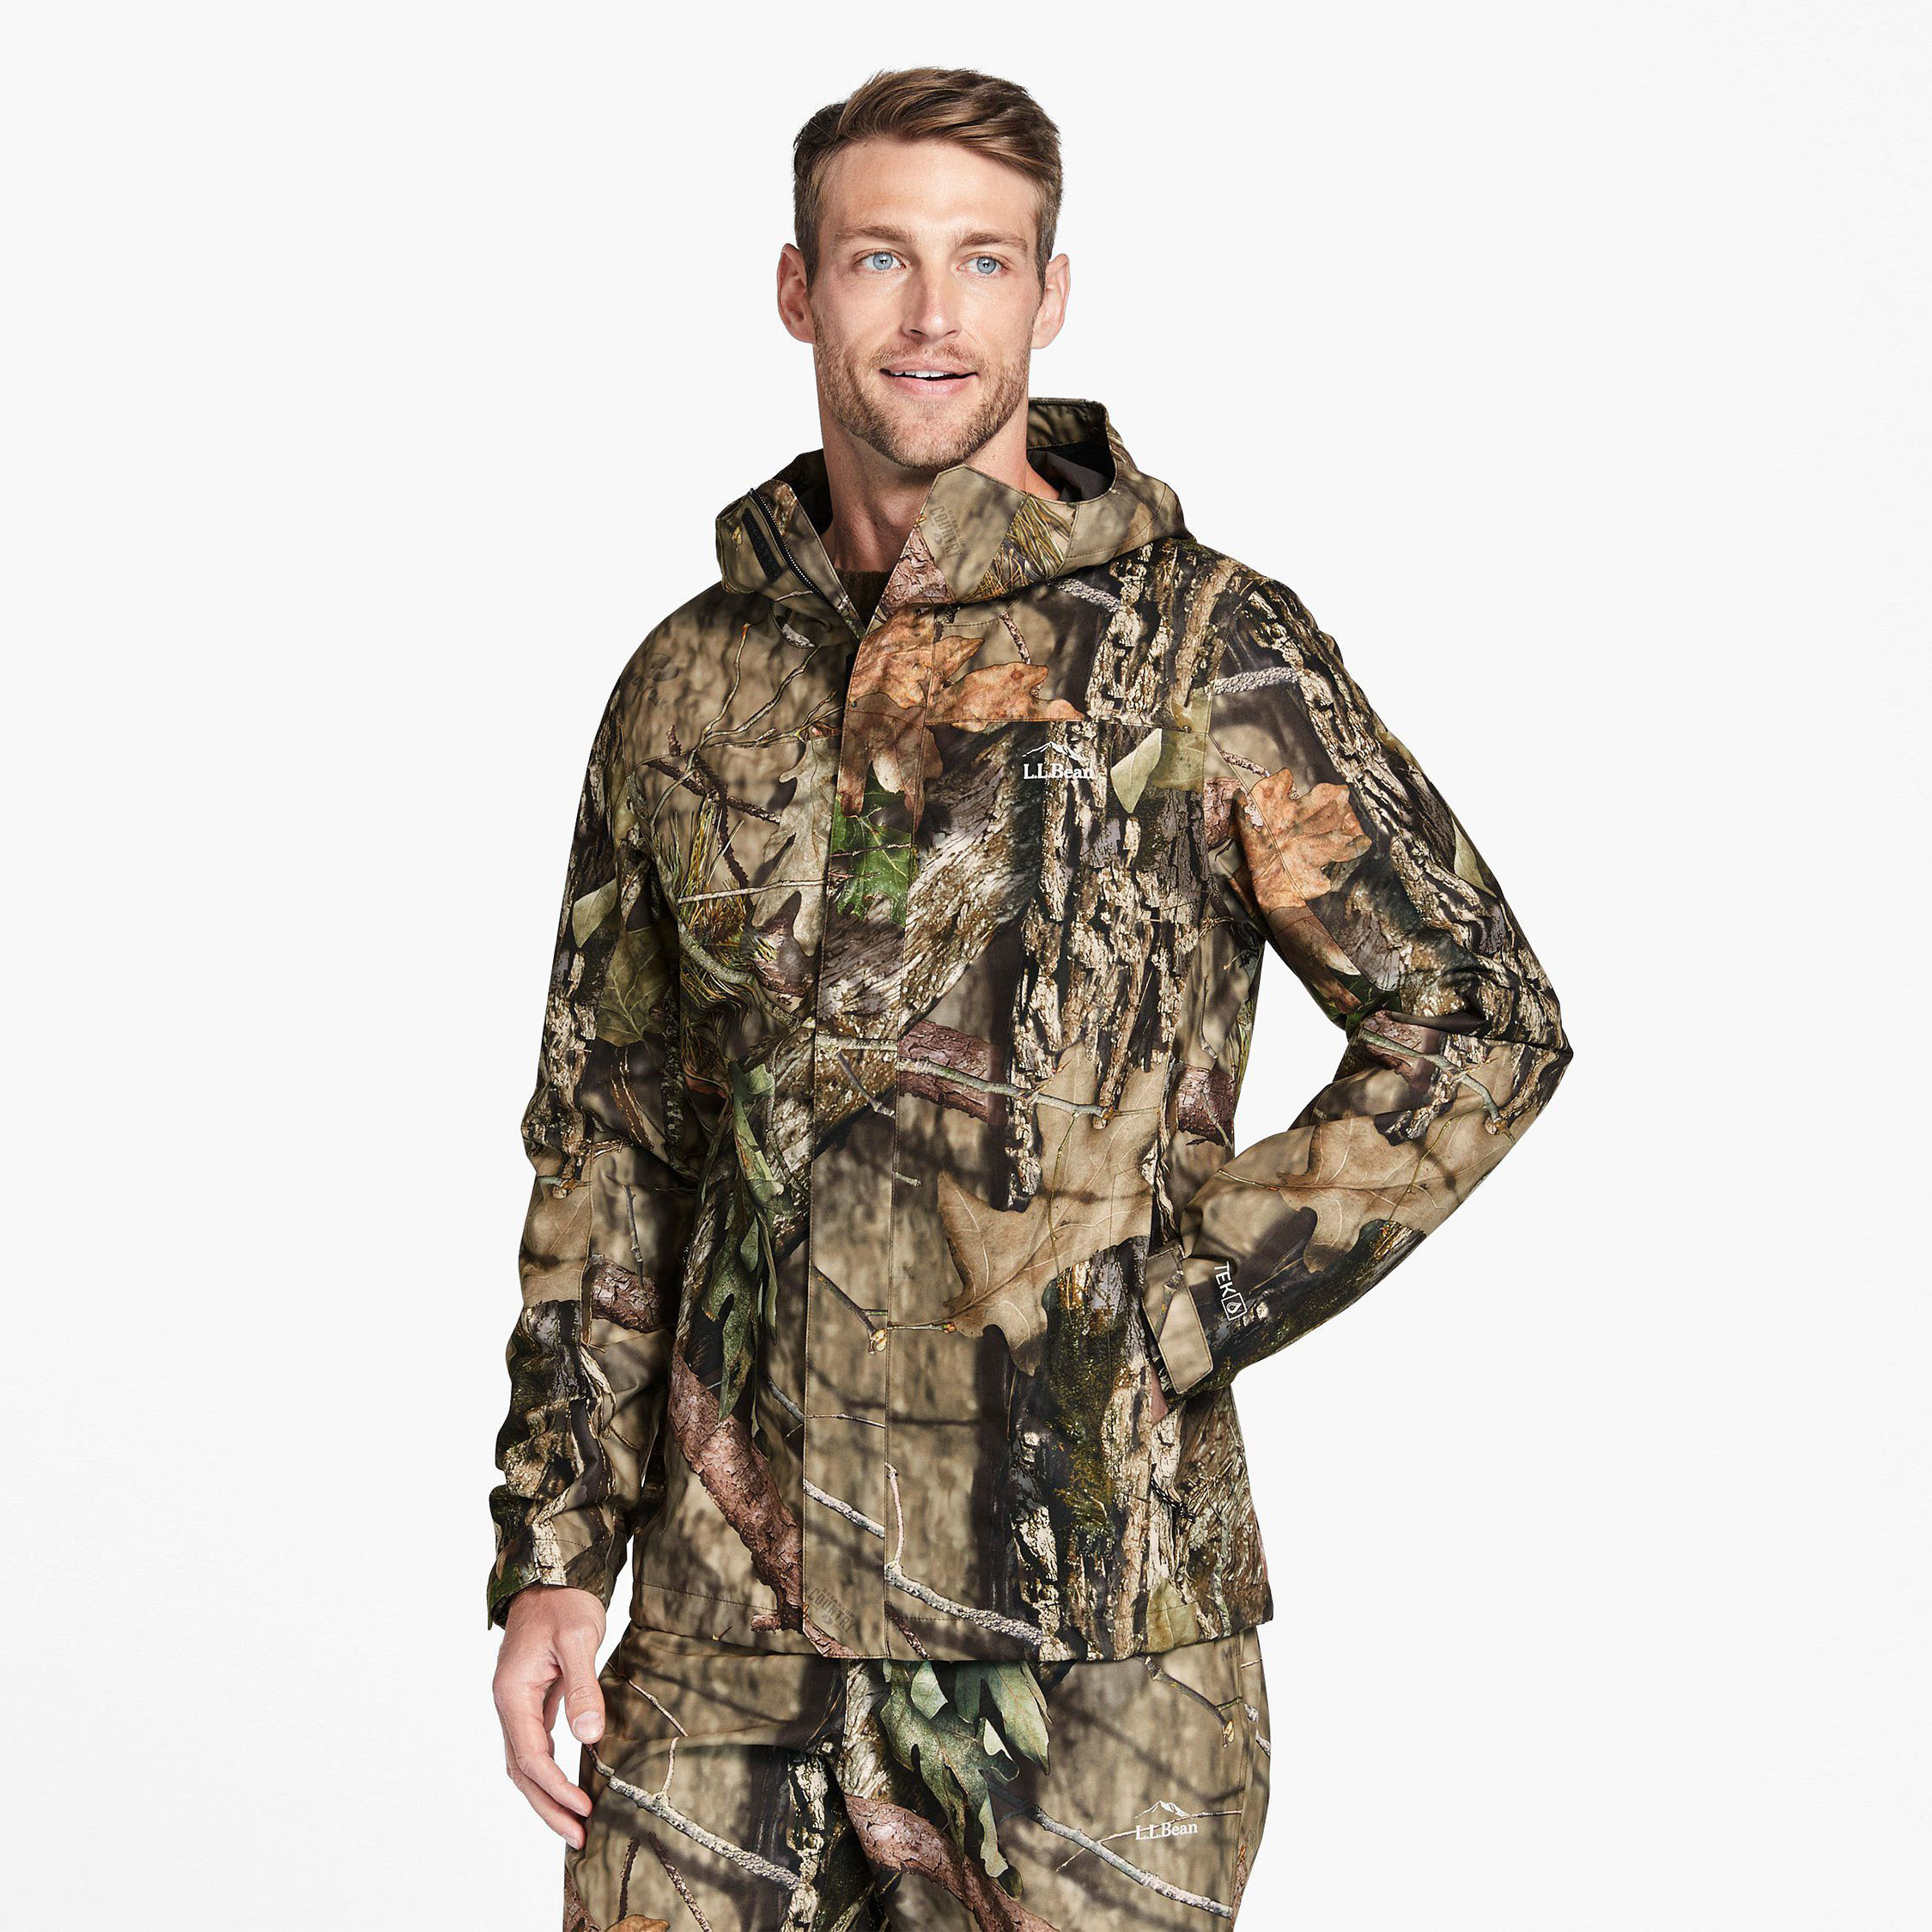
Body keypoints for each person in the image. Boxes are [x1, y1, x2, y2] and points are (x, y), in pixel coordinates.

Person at [488, 64, 1575, 1932]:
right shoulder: (687, 681)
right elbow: (613, 1137)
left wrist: (1167, 1311)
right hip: (734, 1651)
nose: (933, 313)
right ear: (797, 288)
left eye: (983, 261)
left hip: (1093, 1644)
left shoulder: (1203, 648)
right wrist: (555, 1548)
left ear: (1050, 296)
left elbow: (1477, 1017)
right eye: (880, 258)